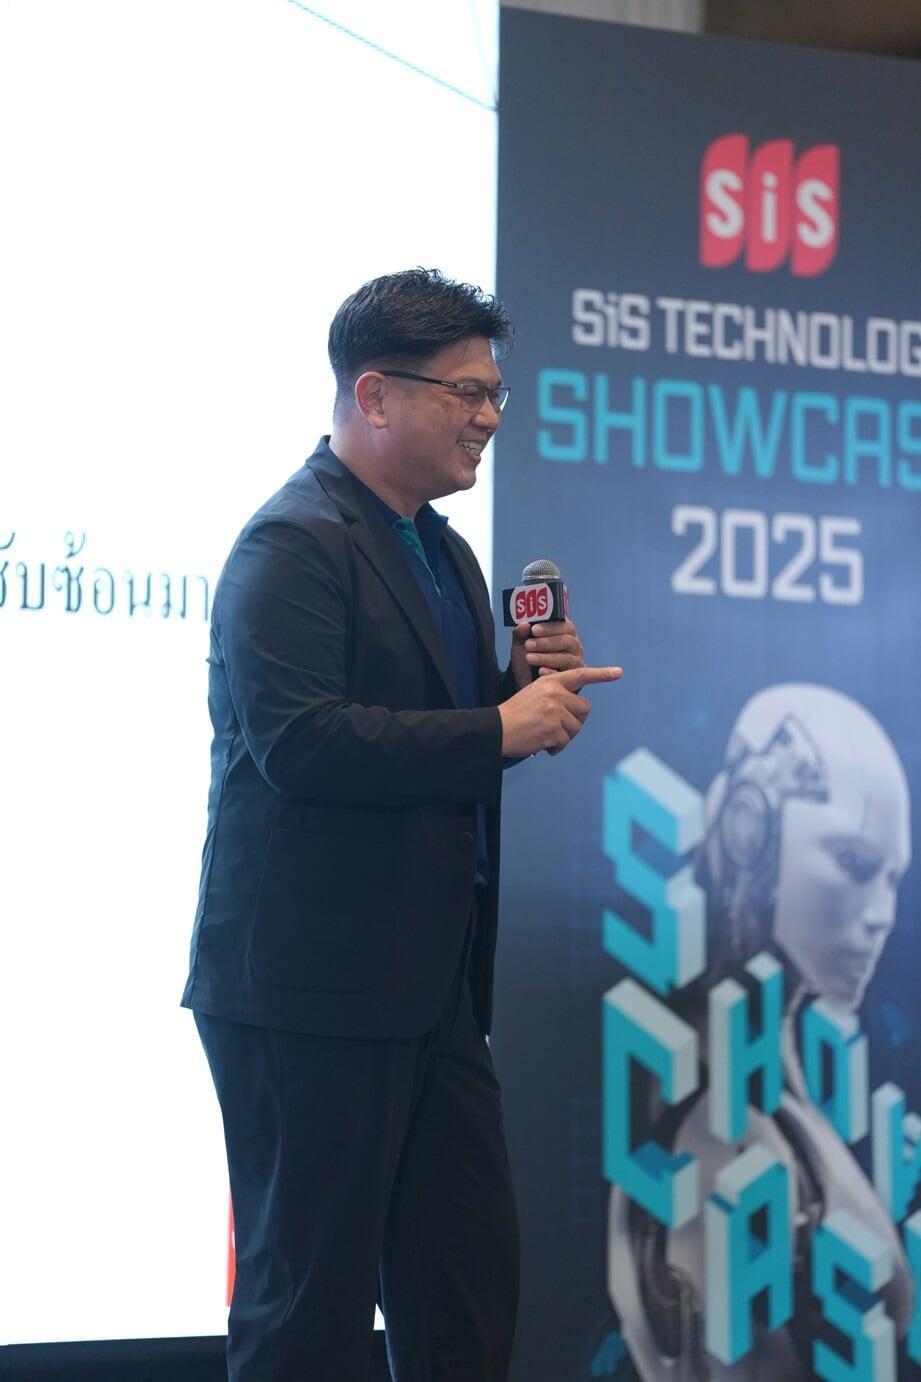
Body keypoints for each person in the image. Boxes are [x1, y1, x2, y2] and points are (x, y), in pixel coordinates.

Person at [181, 267, 623, 1382]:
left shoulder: (443, 549)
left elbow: (434, 732)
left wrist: (518, 695)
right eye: (465, 392)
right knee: (308, 1310)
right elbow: (302, 743)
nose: (489, 418)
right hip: (310, 990)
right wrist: (498, 727)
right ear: (374, 396)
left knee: (464, 1292)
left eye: (495, 394)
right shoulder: (291, 543)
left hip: (430, 990)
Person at [607, 683, 914, 1380]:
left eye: (893, 878)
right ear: (750, 833)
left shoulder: (768, 1101)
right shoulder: (724, 1139)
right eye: (853, 863)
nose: (882, 914)